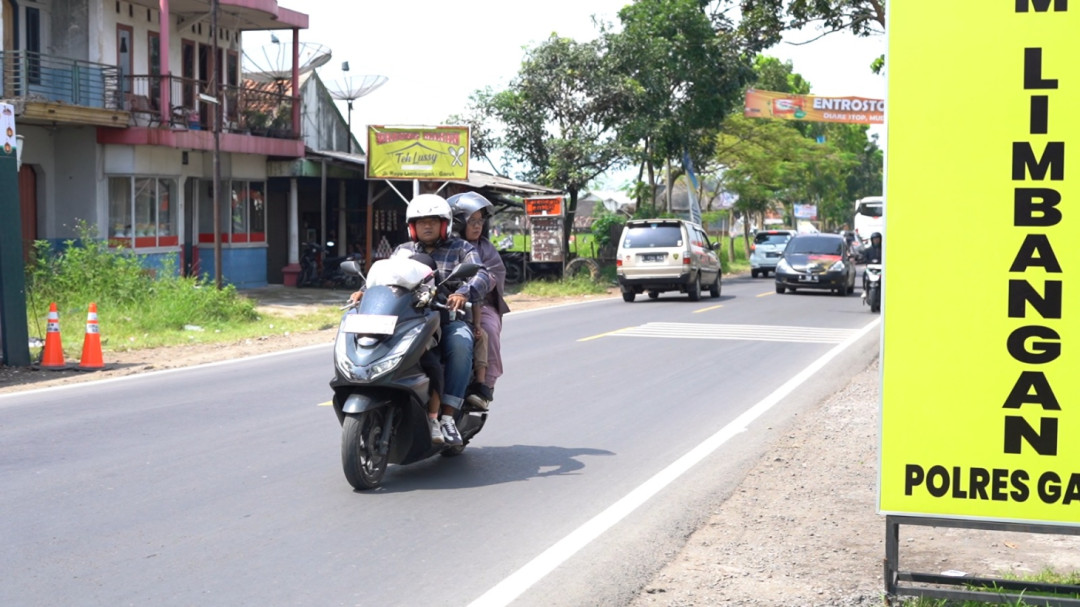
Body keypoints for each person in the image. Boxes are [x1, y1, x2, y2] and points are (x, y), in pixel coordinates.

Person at [349, 194, 491, 446]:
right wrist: (365, 290)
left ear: (444, 224)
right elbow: (384, 278)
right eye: (421, 222)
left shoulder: (461, 249)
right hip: (407, 319)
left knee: (460, 341)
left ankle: (447, 415)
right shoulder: (402, 252)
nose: (427, 226)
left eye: (433, 222)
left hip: (446, 318)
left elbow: (482, 275)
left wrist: (462, 293)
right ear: (412, 226)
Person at [447, 191, 510, 411]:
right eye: (471, 221)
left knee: (488, 330)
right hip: (443, 304)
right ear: (457, 223)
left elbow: (491, 276)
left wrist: (468, 290)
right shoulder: (445, 246)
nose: (477, 226)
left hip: (480, 305)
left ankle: (485, 387)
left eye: (480, 221)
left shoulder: (485, 248)